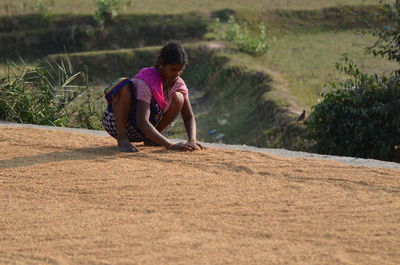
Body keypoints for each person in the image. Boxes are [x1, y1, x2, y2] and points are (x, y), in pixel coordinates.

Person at [102, 42, 206, 152]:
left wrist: (192, 140)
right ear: (161, 64)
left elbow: (189, 117)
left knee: (179, 97)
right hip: (117, 125)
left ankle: (152, 139)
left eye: (181, 70)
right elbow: (142, 121)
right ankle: (122, 139)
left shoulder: (178, 84)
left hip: (145, 132)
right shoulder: (146, 81)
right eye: (173, 70)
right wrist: (170, 145)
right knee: (123, 85)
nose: (177, 74)